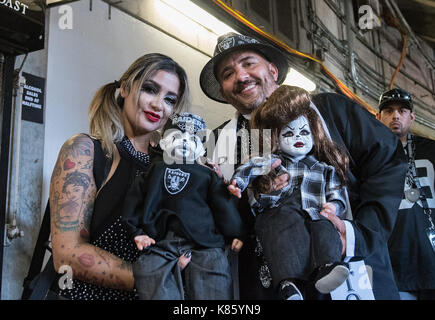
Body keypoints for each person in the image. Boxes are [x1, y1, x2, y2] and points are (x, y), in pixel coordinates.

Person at [200, 32, 408, 300]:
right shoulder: (220, 143)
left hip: (353, 274)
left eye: (249, 63)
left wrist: (363, 231)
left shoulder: (330, 110)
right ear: (223, 90)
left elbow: (387, 162)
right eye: (227, 73)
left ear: (273, 70)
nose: (240, 76)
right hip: (272, 287)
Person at [49, 53, 191, 300]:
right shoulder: (86, 150)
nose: (159, 105)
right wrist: (154, 277)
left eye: (170, 99)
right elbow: (67, 254)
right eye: (150, 89)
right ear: (124, 88)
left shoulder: (172, 168)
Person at [227, 85, 350, 299]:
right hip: (281, 212)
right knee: (278, 234)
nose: (297, 137)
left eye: (304, 132)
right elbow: (251, 167)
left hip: (315, 211)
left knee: (324, 228)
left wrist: (333, 207)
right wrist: (239, 181)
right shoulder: (274, 162)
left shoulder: (325, 169)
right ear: (275, 137)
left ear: (314, 132)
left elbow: (336, 194)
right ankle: (288, 283)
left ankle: (328, 267)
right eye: (288, 133)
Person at [121, 112, 244, 300]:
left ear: (202, 150)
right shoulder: (154, 170)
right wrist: (137, 232)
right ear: (163, 142)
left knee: (215, 272)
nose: (185, 142)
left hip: (205, 243)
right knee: (147, 270)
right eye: (177, 137)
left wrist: (236, 233)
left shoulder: (207, 175)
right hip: (161, 241)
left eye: (193, 139)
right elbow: (134, 201)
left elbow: (222, 205)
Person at [376, 88, 435, 300]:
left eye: (402, 110)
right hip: (395, 260)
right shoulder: (369, 155)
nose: (396, 116)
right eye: (389, 111)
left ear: (412, 117)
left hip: (430, 254)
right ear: (378, 116)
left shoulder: (431, 149)